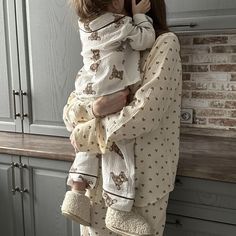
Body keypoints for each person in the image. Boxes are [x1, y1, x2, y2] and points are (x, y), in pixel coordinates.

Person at [63, 0, 182, 235]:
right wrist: (98, 108)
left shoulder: (164, 43)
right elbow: (70, 112)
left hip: (144, 187)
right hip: (95, 184)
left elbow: (144, 115)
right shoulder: (107, 42)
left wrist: (84, 132)